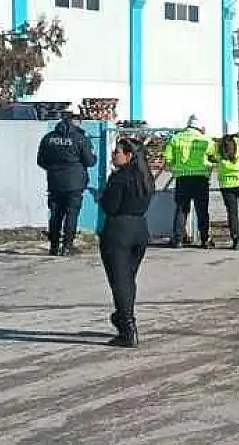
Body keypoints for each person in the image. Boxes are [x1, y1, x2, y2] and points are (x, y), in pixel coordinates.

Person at [97, 137, 154, 348]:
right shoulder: (145, 177)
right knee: (128, 279)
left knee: (120, 281)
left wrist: (103, 196)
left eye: (117, 152)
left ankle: (127, 327)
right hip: (140, 229)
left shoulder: (120, 178)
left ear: (129, 156)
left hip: (118, 231)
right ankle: (123, 317)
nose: (113, 155)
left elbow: (110, 206)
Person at [36, 112, 97, 256]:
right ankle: (67, 246)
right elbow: (90, 161)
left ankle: (54, 246)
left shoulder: (49, 138)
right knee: (71, 214)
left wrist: (54, 169)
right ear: (74, 121)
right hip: (74, 183)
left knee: (56, 214)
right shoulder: (80, 138)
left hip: (54, 182)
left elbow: (41, 160)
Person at [164, 115, 216, 248]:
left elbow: (168, 161)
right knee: (202, 210)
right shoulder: (205, 139)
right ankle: (205, 240)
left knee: (181, 210)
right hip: (201, 178)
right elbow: (215, 156)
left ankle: (178, 239)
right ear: (200, 127)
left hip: (183, 178)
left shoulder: (176, 138)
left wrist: (176, 169)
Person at [209, 134, 239, 249]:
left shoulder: (217, 147)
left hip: (227, 185)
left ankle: (236, 239)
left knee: (232, 213)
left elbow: (212, 158)